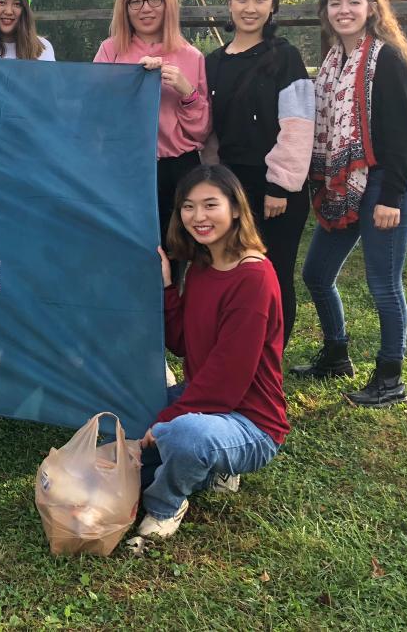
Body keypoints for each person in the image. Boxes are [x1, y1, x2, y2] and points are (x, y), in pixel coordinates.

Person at [135, 164, 288, 541]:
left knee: (183, 435)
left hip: (252, 421)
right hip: (206, 401)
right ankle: (216, 469)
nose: (198, 217)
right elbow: (183, 343)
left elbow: (226, 381)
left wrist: (166, 421)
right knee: (131, 412)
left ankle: (166, 506)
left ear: (235, 208)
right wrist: (167, 287)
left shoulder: (254, 278)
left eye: (210, 205)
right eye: (188, 207)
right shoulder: (203, 265)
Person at [294, 0, 407, 407]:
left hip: (388, 183)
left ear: (371, 8)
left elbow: (402, 136)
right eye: (335, 3)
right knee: (316, 273)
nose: (344, 10)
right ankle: (336, 355)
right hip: (345, 184)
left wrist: (391, 198)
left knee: (384, 284)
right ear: (325, 12)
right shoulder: (333, 63)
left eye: (354, 2)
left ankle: (390, 379)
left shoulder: (387, 59)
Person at [204, 0, 313, 345]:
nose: (250, 8)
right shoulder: (213, 62)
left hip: (275, 189)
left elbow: (298, 126)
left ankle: (270, 357)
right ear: (229, 5)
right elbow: (210, 131)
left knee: (273, 274)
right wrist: (210, 182)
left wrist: (280, 186)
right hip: (229, 185)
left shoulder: (285, 58)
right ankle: (235, 351)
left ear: (273, 7)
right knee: (230, 270)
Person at [94, 0, 210, 243]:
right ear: (125, 7)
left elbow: (201, 131)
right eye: (135, 1)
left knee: (178, 248)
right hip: (125, 165)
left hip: (178, 169)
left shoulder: (191, 56)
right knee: (127, 245)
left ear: (167, 2)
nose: (145, 9)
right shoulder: (110, 50)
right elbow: (95, 113)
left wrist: (186, 91)